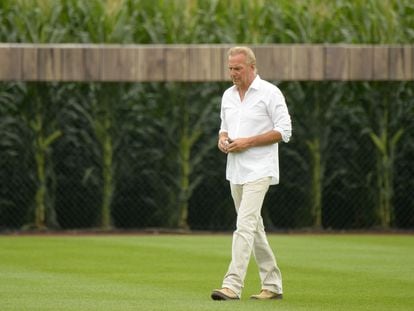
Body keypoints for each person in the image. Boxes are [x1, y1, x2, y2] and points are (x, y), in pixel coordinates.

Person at [211, 46, 292, 301]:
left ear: (252, 67)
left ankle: (232, 286)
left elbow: (284, 131)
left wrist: (248, 142)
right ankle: (273, 285)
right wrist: (223, 139)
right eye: (230, 69)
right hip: (235, 170)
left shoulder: (270, 92)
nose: (233, 73)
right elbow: (224, 127)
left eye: (238, 68)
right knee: (255, 229)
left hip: (260, 169)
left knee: (244, 226)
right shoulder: (228, 95)